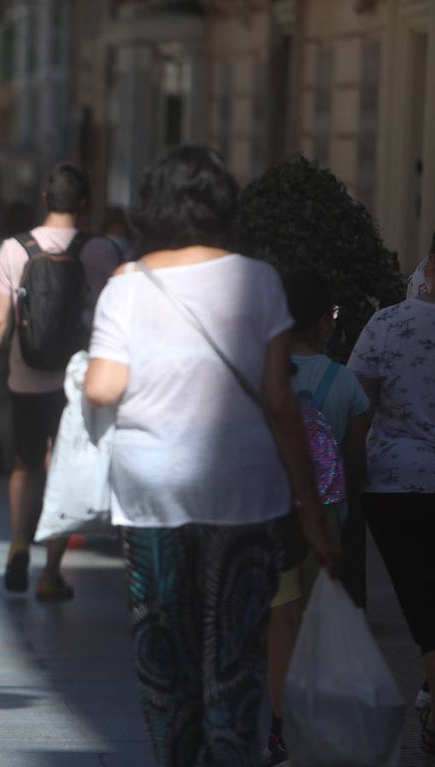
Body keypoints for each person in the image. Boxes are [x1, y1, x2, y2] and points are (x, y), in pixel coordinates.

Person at [82, 145, 339, 767]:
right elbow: (280, 402)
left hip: (153, 493)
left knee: (164, 653)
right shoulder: (259, 280)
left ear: (154, 206)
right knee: (235, 652)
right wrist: (311, 510)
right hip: (244, 491)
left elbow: (102, 387)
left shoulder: (127, 284)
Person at [0, 163, 122, 600]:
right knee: (63, 466)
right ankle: (51, 572)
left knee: (26, 462)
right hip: (80, 379)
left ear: (46, 199)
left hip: (25, 373)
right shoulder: (102, 251)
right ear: (85, 204)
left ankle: (18, 542)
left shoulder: (15, 248)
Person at [263, 270, 370, 766]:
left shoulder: (263, 373)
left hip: (273, 512)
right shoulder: (345, 384)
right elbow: (354, 460)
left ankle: (281, 729)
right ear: (326, 321)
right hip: (325, 519)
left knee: (281, 622)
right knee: (313, 623)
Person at [348, 231, 435, 756]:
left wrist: (351, 475)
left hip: (394, 486)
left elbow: (357, 409)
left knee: (421, 599)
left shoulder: (387, 324)